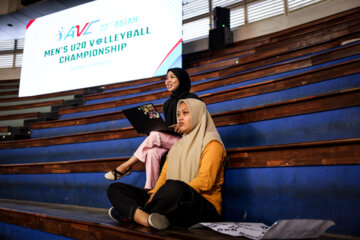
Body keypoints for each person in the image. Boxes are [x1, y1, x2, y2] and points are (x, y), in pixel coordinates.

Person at [107, 98, 226, 230]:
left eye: (185, 113)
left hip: (202, 206)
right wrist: (153, 195)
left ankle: (131, 213)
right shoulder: (177, 146)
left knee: (175, 187)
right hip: (173, 203)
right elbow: (163, 176)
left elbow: (205, 181)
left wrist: (165, 192)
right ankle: (146, 219)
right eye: (178, 114)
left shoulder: (212, 144)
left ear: (199, 115)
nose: (180, 118)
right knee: (116, 188)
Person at [105, 68, 200, 190]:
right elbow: (169, 127)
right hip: (173, 143)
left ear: (181, 79)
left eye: (172, 77)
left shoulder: (193, 99)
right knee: (152, 152)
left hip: (188, 143)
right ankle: (151, 191)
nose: (167, 81)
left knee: (155, 135)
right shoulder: (167, 103)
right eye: (166, 78)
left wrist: (185, 126)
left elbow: (202, 122)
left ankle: (126, 166)